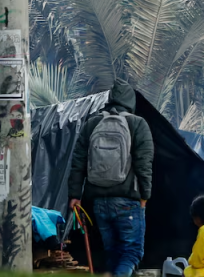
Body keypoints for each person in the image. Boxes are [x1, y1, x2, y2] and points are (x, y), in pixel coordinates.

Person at [68, 79, 154, 277]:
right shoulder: (138, 124)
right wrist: (145, 196)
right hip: (128, 201)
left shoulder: (92, 124)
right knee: (132, 253)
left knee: (114, 253)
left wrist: (74, 195)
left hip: (99, 202)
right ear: (130, 101)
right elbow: (144, 163)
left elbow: (78, 162)